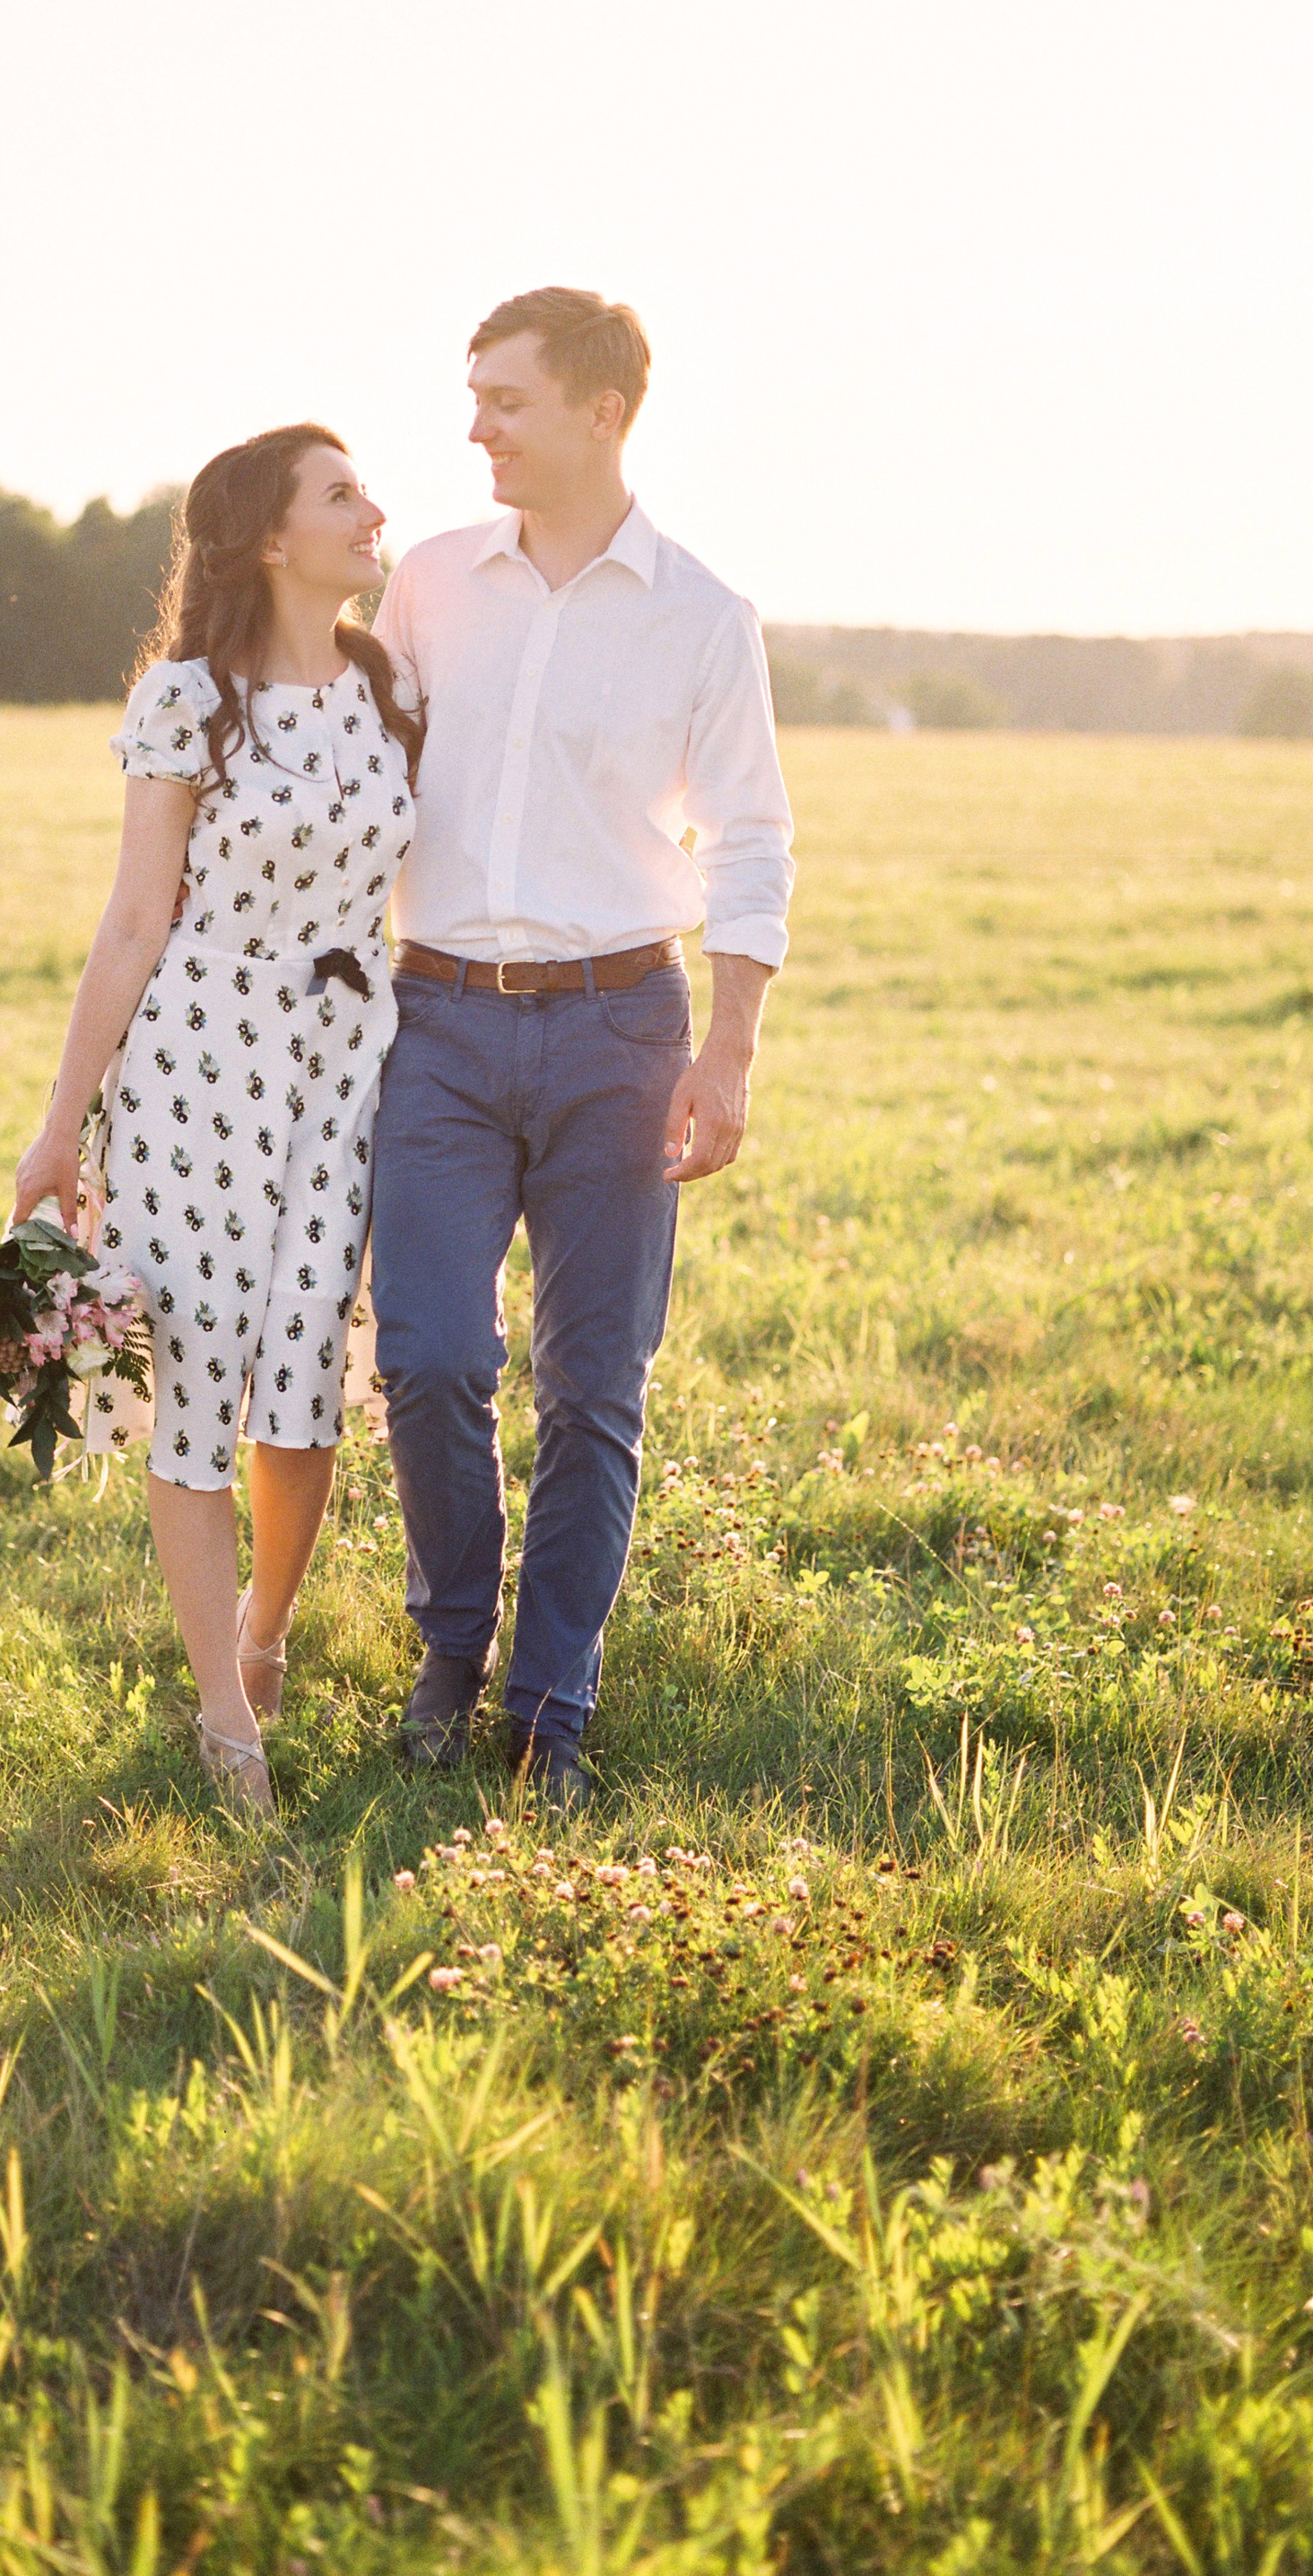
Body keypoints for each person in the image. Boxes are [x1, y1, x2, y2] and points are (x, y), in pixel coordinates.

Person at [370, 289, 793, 1809]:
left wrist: (728, 1048)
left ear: (604, 410)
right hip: (437, 1023)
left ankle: (553, 1697)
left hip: (625, 1024)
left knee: (594, 1384)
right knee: (422, 1352)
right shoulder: (425, 585)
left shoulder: (702, 617)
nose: (475, 425)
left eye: (507, 399)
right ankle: (449, 1647)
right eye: (474, 396)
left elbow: (751, 838)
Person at [13, 424, 422, 1816]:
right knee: (194, 1373)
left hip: (347, 1060)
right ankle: (224, 1720)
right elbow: (135, 915)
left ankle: (267, 1632)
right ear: (268, 538)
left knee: (308, 1380)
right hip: (199, 1055)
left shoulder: (392, 684)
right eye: (342, 494)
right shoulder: (187, 701)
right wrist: (60, 1122)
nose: (374, 511)